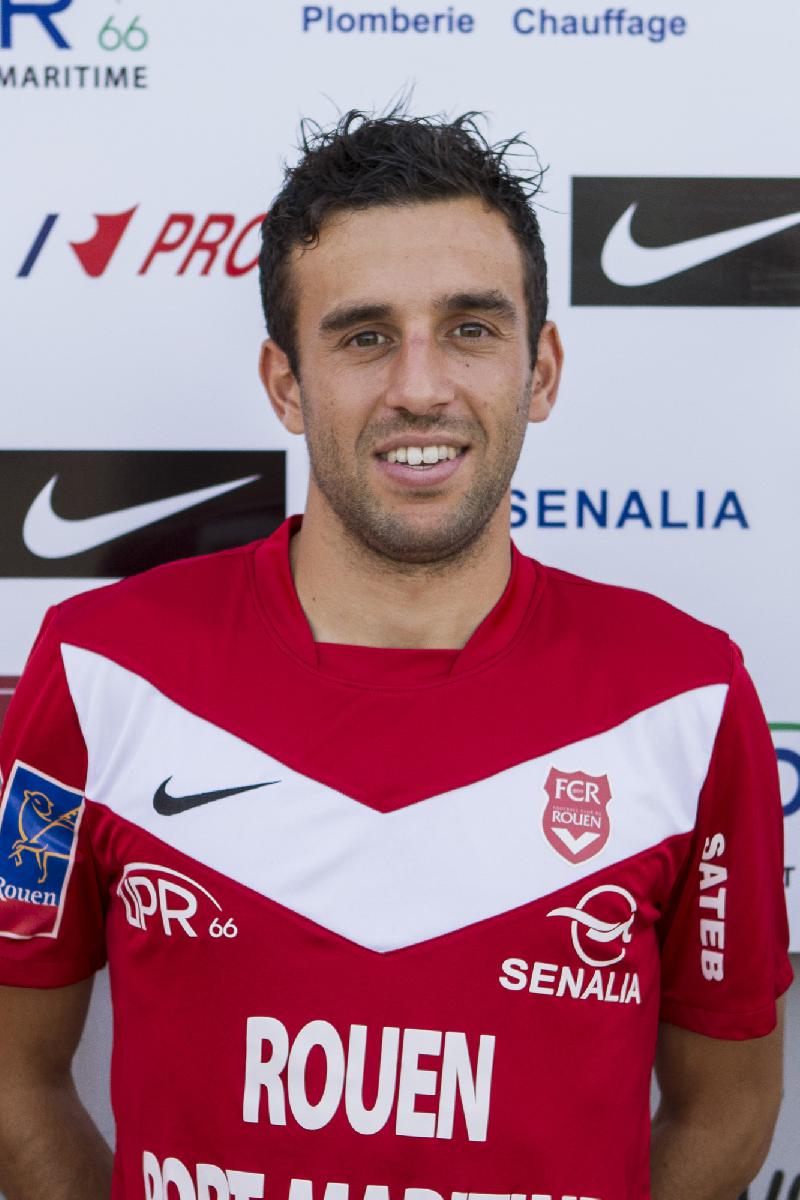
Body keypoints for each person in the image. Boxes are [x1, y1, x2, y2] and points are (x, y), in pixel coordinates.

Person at [0, 109, 791, 1200]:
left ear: (540, 369)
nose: (420, 387)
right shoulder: (101, 671)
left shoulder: (684, 698)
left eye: (470, 328)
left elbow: (729, 1105)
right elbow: (13, 1074)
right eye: (364, 336)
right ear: (286, 384)